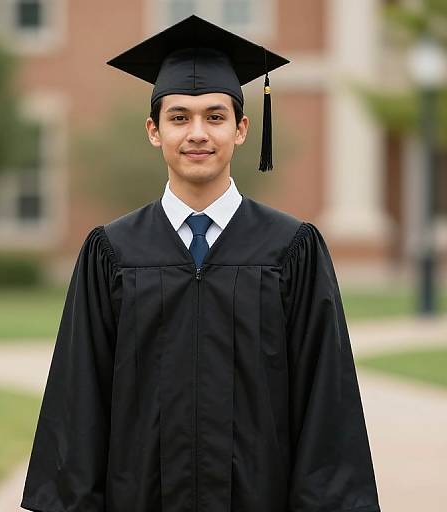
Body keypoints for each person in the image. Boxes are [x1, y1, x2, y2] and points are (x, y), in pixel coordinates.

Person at [20, 14, 381, 512]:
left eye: (214, 117)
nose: (197, 133)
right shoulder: (112, 252)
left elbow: (326, 399)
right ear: (154, 131)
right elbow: (79, 398)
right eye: (179, 117)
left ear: (241, 129)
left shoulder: (292, 249)